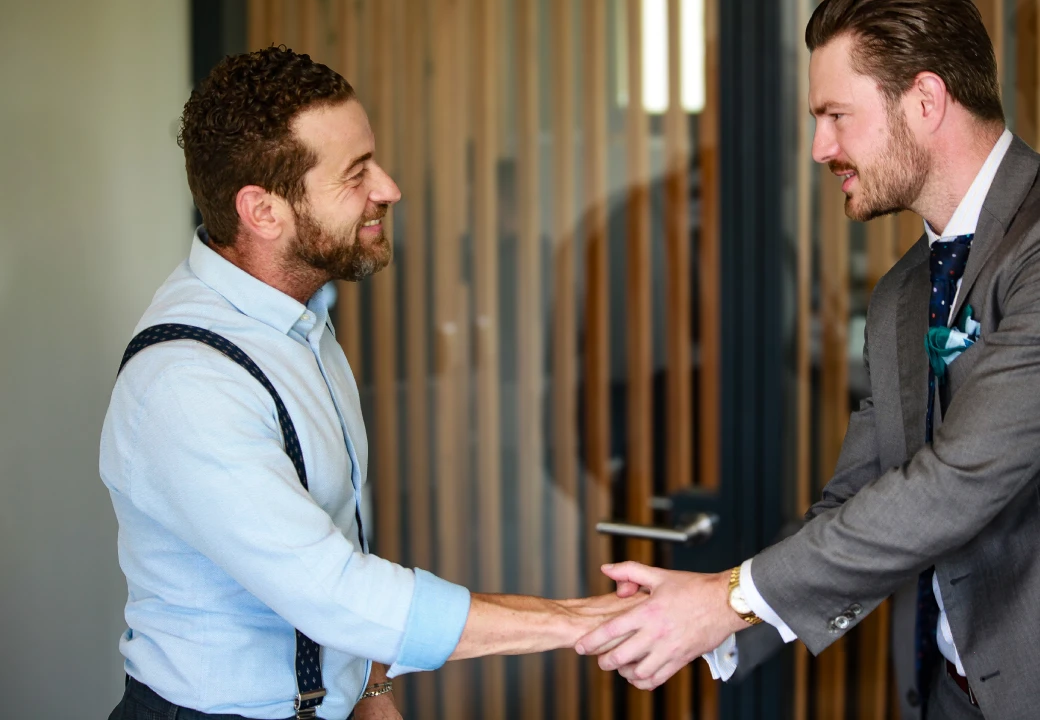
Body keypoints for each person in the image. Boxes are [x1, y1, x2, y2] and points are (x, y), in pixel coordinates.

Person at [576, 0, 1040, 719]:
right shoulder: (906, 289)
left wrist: (731, 599)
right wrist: (721, 610)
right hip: (947, 693)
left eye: (836, 115)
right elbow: (865, 491)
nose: (818, 147)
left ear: (927, 100)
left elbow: (958, 481)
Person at [100, 46, 637, 720]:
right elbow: (335, 590)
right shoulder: (188, 383)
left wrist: (370, 686)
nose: (388, 187)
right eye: (356, 174)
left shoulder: (301, 323)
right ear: (263, 212)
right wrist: (581, 623)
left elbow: (338, 536)